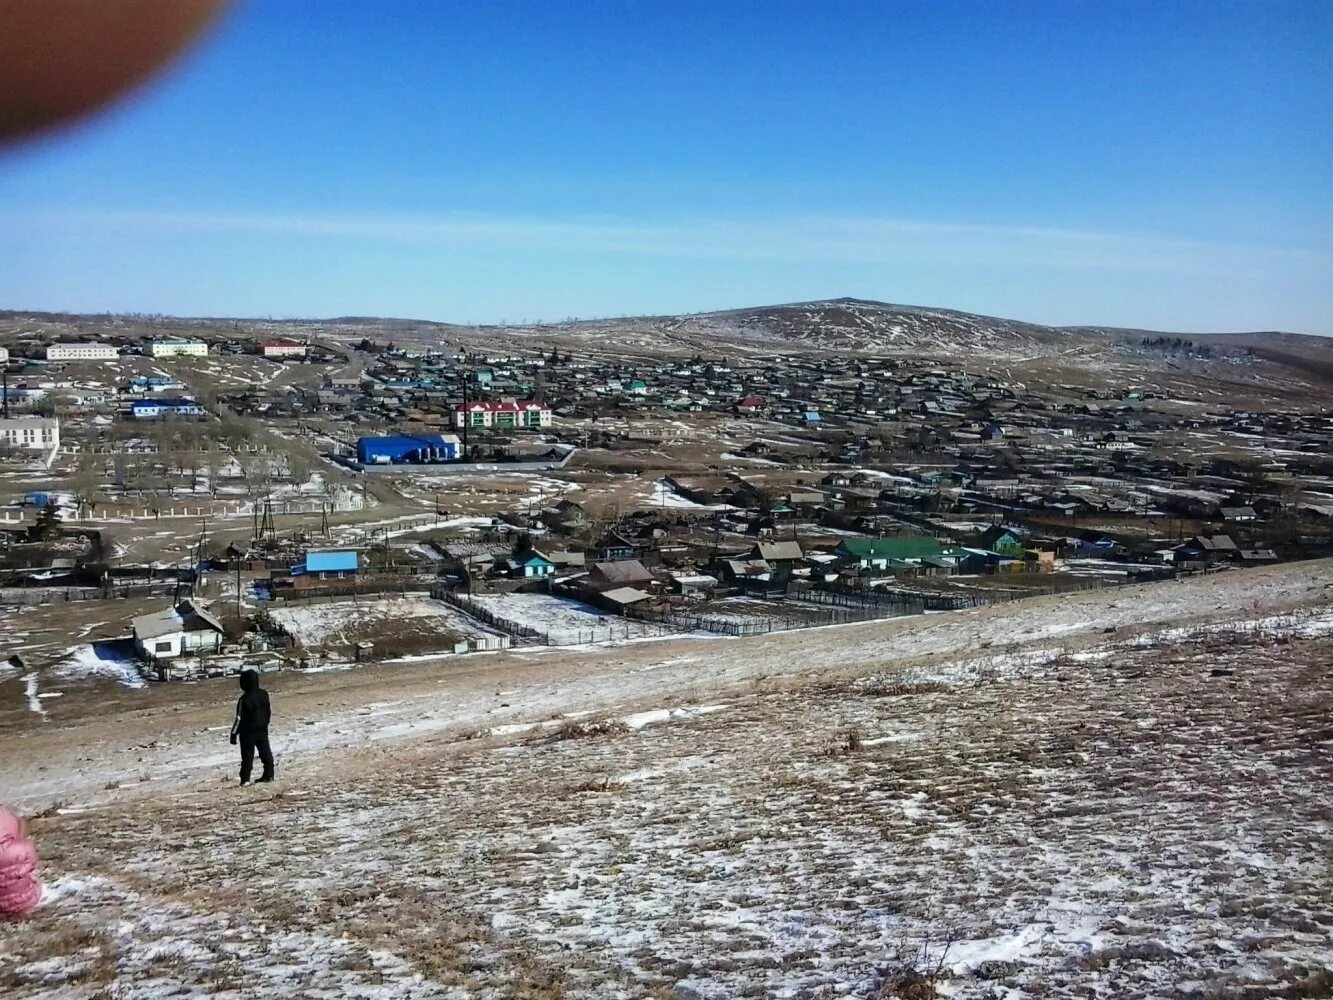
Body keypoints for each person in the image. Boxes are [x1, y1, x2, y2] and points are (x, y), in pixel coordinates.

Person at [229, 669, 274, 785]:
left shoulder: (243, 700)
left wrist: (233, 734)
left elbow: (238, 718)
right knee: (265, 753)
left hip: (247, 733)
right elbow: (268, 711)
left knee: (248, 756)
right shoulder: (264, 694)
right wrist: (265, 723)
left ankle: (245, 779)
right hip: (262, 729)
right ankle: (269, 774)